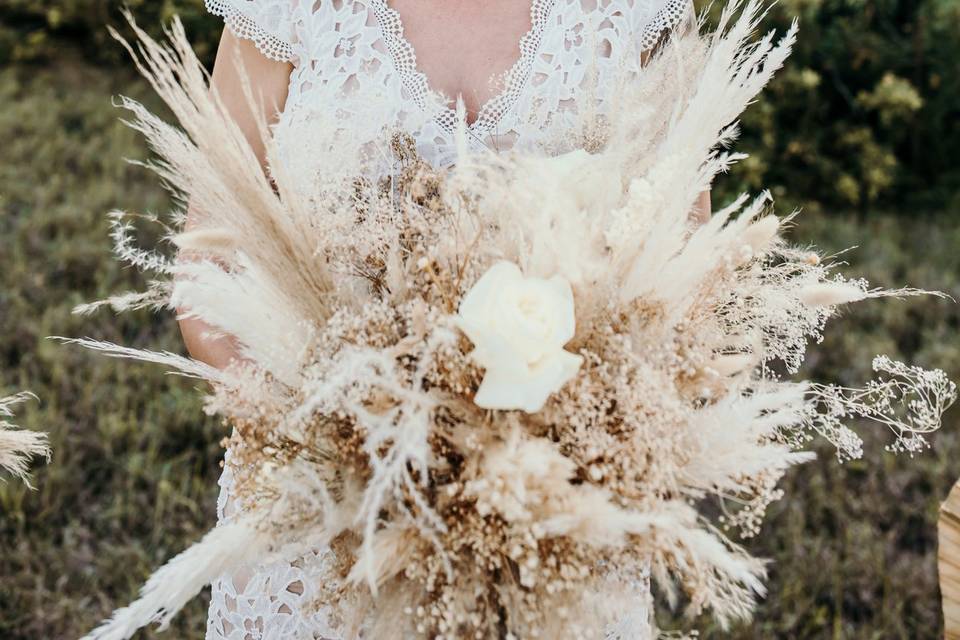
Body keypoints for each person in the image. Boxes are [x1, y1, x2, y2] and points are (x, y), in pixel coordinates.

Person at [188, 1, 706, 637]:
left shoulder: (635, 13)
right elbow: (208, 261)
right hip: (320, 508)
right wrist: (333, 444)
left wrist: (569, 454)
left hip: (550, 519)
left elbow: (688, 268)